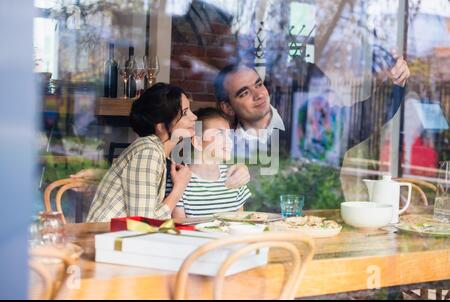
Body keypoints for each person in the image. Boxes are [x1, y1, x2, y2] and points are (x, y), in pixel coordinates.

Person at [213, 57, 410, 161]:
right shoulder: (222, 144)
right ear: (227, 107)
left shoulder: (316, 125)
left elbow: (368, 115)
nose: (259, 95)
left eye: (258, 84)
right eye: (244, 93)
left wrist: (395, 83)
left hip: (318, 228)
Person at [87, 83, 196, 222]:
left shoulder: (155, 150)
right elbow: (144, 222)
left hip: (121, 237)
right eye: (185, 112)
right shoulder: (148, 153)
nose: (194, 117)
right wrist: (178, 189)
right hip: (107, 239)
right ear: (161, 127)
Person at [167, 108, 251, 218]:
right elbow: (180, 228)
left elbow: (239, 224)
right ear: (197, 142)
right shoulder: (178, 179)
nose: (229, 140)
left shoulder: (234, 176)